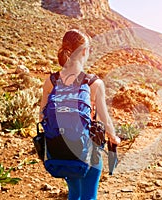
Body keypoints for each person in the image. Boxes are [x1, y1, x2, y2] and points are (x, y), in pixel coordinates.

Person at [39, 29, 121, 200]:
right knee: (89, 196)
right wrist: (114, 137)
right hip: (88, 151)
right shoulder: (93, 83)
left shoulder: (51, 81)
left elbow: (42, 116)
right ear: (84, 51)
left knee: (74, 193)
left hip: (59, 150)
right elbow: (104, 120)